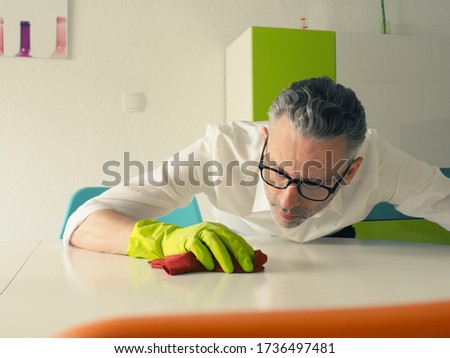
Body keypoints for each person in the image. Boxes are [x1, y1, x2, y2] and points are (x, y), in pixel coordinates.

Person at [64, 77, 450, 273]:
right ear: (263, 143)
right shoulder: (220, 151)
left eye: (315, 183)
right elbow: (81, 222)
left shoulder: (381, 162)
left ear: (351, 171)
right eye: (276, 171)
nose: (286, 200)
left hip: (337, 271)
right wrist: (165, 236)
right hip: (231, 279)